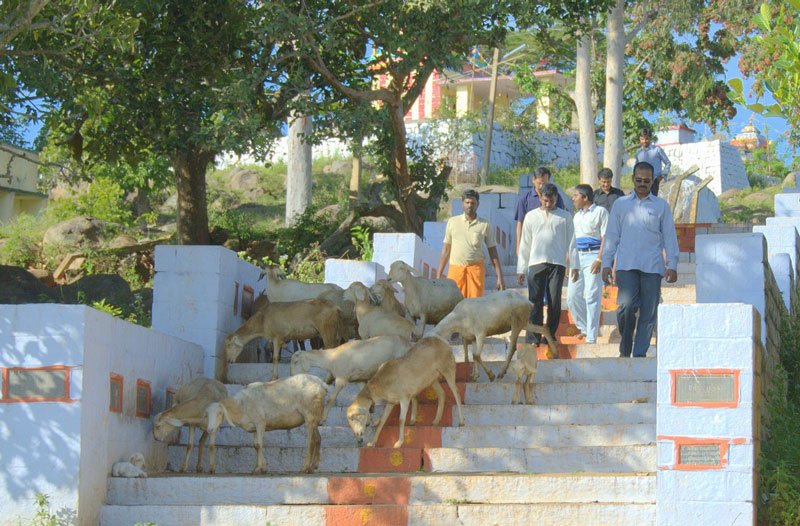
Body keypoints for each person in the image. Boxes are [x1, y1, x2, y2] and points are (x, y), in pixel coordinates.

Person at [601, 161, 679, 358]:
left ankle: (639, 354)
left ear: (652, 181)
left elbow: (670, 237)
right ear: (633, 180)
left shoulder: (661, 206)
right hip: (626, 265)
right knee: (626, 307)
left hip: (652, 267)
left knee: (648, 312)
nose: (642, 184)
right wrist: (606, 263)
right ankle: (625, 345)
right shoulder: (621, 204)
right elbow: (611, 236)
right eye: (638, 180)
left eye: (646, 180)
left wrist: (673, 264)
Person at [517, 183, 579, 345]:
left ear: (556, 198)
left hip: (557, 264)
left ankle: (550, 336)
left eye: (551, 201)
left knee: (554, 302)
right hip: (536, 262)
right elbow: (525, 243)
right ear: (540, 199)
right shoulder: (531, 216)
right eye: (545, 201)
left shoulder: (565, 217)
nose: (547, 204)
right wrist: (521, 268)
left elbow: (572, 243)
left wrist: (575, 266)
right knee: (534, 301)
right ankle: (533, 337)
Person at [438, 189, 505, 298]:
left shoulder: (485, 224)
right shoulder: (452, 222)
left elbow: (493, 253)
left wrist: (500, 277)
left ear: (477, 204)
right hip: (455, 271)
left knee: (475, 307)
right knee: (454, 306)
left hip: (475, 271)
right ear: (462, 204)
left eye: (473, 203)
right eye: (467, 202)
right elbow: (446, 250)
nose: (470, 205)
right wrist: (439, 274)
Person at [567, 184, 608, 344]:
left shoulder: (600, 212)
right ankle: (584, 327)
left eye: (576, 195)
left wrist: (599, 259)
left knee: (592, 295)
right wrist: (570, 261)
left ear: (585, 197)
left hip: (593, 255)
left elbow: (606, 237)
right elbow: (572, 240)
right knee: (572, 297)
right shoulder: (576, 216)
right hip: (578, 257)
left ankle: (591, 337)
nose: (573, 198)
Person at [514, 166, 567, 256]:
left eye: (545, 183)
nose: (542, 186)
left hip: (552, 244)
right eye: (539, 183)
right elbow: (520, 223)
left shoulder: (556, 197)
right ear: (533, 180)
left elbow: (562, 219)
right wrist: (518, 246)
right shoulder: (525, 199)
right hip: (532, 244)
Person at [635, 128, 671, 196]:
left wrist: (663, 175)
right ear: (640, 139)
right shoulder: (638, 152)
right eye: (642, 139)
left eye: (647, 139)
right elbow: (637, 166)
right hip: (642, 182)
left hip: (654, 182)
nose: (644, 141)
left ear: (650, 139)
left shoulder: (657, 150)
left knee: (653, 202)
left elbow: (668, 163)